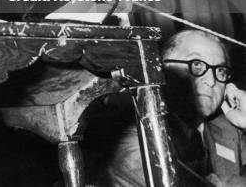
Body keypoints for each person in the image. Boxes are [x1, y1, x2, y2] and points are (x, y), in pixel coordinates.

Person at [86, 29, 246, 186]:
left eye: (220, 70)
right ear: (160, 70)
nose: (211, 81)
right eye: (196, 64)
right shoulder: (136, 132)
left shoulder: (228, 128)